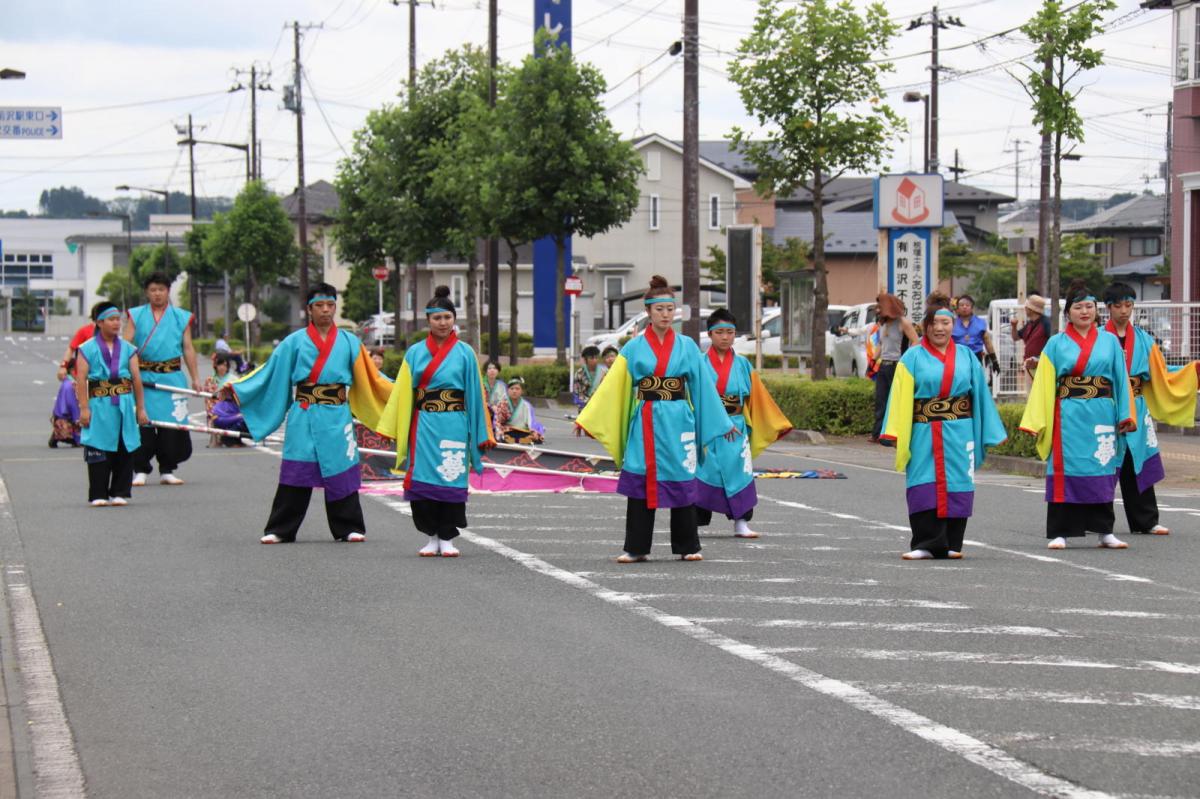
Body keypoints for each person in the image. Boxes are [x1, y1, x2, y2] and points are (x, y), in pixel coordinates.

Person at [576, 275, 734, 564]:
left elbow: (702, 388)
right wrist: (588, 418)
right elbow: (615, 386)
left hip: (678, 421)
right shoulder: (634, 348)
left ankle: (688, 545)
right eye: (659, 309)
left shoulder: (687, 346)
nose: (665, 315)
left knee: (683, 480)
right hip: (646, 418)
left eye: (670, 309)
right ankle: (636, 547)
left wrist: (720, 422)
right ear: (648, 312)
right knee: (640, 479)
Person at [231, 283, 393, 544]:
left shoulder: (350, 342)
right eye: (320, 306)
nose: (326, 310)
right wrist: (236, 388)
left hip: (337, 415)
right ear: (308, 309)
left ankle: (349, 526)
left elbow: (373, 378)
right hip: (304, 413)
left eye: (330, 305)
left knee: (340, 468)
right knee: (296, 469)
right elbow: (269, 372)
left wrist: (402, 391)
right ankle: (281, 528)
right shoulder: (294, 342)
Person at [882, 293, 1006, 560]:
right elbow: (899, 396)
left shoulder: (966, 356)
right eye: (934, 323)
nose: (940, 328)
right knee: (924, 483)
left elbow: (980, 397)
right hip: (924, 431)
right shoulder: (912, 358)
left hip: (960, 431)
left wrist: (990, 429)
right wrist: (894, 431)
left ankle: (952, 542)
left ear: (953, 325)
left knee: (958, 482)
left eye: (946, 323)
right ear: (925, 327)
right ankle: (925, 543)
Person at [374, 285, 495, 558]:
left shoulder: (465, 353)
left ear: (455, 320)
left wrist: (481, 430)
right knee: (424, 478)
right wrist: (391, 426)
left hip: (454, 422)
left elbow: (475, 395)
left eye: (447, 318)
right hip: (424, 423)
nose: (443, 323)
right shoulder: (415, 353)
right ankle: (431, 536)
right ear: (428, 321)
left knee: (451, 476)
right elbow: (403, 392)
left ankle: (448, 536)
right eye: (437, 318)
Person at [1020, 279, 1135, 551]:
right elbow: (1045, 384)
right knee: (1065, 471)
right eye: (1079, 307)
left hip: (1102, 416)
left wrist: (1125, 415)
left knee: (1103, 468)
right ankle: (1060, 531)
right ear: (1068, 312)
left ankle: (1105, 530)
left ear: (1096, 311)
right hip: (1068, 416)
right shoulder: (1056, 344)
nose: (1085, 312)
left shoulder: (1109, 342)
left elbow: (1121, 380)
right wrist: (1037, 420)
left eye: (1089, 307)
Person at [1104, 282, 1199, 536]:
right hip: (1105, 406)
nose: (1124, 310)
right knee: (1102, 461)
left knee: (1138, 460)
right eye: (1118, 305)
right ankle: (1097, 521)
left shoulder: (1145, 340)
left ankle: (1145, 520)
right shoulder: (1099, 339)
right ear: (1108, 308)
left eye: (1129, 305)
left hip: (1136, 404)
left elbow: (1162, 375)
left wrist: (1192, 371)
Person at [694, 308, 793, 538]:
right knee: (702, 473)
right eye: (720, 332)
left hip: (736, 427)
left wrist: (773, 422)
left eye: (730, 332)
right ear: (710, 334)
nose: (725, 337)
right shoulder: (698, 363)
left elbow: (757, 398)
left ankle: (741, 522)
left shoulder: (743, 365)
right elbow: (694, 398)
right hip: (707, 428)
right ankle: (695, 524)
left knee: (739, 473)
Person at [123, 272, 200, 486]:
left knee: (172, 426)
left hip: (172, 378)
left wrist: (195, 378)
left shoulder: (181, 317)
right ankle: (140, 469)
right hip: (143, 379)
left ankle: (167, 469)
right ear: (147, 293)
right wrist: (123, 372)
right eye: (153, 290)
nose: (157, 294)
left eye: (161, 289)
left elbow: (187, 348)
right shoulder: (136, 315)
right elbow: (126, 346)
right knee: (143, 423)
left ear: (168, 291)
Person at [75, 302, 149, 506]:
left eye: (119, 319)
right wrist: (83, 408)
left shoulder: (129, 349)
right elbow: (81, 380)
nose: (117, 323)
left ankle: (120, 491)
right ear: (99, 322)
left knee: (124, 447)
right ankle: (98, 493)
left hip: (124, 405)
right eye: (112, 319)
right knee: (98, 447)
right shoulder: (86, 349)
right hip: (98, 405)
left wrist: (140, 408)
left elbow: (136, 379)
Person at [842, 293, 918, 445]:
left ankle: (894, 435)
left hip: (898, 365)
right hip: (885, 365)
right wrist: (873, 362)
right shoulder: (883, 324)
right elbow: (880, 345)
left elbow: (916, 342)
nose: (877, 310)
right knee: (881, 400)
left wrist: (907, 361)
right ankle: (878, 434)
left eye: (880, 307)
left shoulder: (903, 323)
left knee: (895, 401)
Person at [951, 294, 1000, 375]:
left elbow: (987, 342)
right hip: (957, 358)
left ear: (972, 307)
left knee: (975, 382)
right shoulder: (952, 323)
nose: (964, 307)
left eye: (967, 305)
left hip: (976, 357)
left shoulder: (980, 323)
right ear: (957, 308)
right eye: (961, 305)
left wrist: (994, 360)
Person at [201, 354, 240, 447]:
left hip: (230, 407)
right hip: (216, 406)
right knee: (213, 412)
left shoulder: (233, 379)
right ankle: (215, 439)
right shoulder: (210, 380)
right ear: (216, 366)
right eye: (220, 365)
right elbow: (208, 397)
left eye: (225, 365)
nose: (222, 367)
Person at [492, 377, 546, 444]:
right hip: (508, 431)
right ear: (508, 391)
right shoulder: (502, 404)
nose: (514, 391)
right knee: (500, 435)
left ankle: (520, 440)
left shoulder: (527, 406)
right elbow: (497, 422)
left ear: (521, 391)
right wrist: (499, 431)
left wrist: (534, 431)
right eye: (512, 389)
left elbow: (531, 422)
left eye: (517, 389)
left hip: (522, 431)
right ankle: (519, 440)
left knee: (536, 436)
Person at [1009, 293, 1050, 379]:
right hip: (1030, 366)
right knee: (1031, 392)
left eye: (1027, 307)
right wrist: (1014, 326)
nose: (1025, 308)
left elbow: (1052, 343)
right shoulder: (1030, 324)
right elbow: (1015, 337)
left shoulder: (1046, 323)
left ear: (1032, 309)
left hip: (1042, 366)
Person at [50, 351, 83, 448]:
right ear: (72, 371)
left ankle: (58, 435)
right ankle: (62, 436)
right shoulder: (70, 386)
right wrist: (78, 419)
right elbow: (72, 406)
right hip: (65, 416)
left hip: (63, 415)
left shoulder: (69, 382)